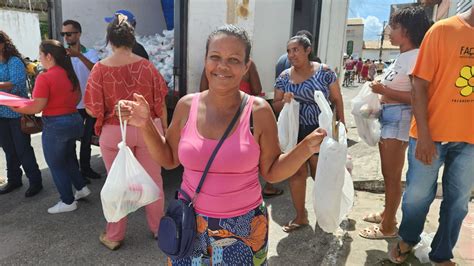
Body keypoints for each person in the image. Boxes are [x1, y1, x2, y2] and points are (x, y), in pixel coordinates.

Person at [117, 24, 326, 264]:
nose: (222, 66)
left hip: (244, 227)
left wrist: (306, 147)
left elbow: (272, 170)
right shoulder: (187, 106)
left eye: (234, 60)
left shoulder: (258, 111)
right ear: (205, 60)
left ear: (247, 66)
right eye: (215, 57)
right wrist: (145, 125)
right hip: (189, 223)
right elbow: (169, 158)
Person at [389, 5, 474, 265]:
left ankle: (441, 253)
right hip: (431, 134)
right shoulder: (443, 30)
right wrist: (424, 136)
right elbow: (419, 84)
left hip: (469, 140)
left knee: (458, 202)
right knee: (417, 195)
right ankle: (407, 239)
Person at [84, 14, 168, 251]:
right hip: (146, 129)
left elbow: (91, 109)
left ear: (109, 41)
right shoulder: (147, 66)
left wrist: (112, 107)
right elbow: (159, 103)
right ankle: (159, 230)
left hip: (114, 133)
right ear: (133, 40)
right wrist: (166, 130)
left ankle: (114, 235)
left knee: (117, 184)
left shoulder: (99, 69)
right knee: (154, 181)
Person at [358, 6, 431, 240]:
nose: (390, 30)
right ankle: (387, 213)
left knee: (391, 175)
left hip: (399, 118)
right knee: (387, 173)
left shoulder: (416, 57)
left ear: (407, 31)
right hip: (389, 115)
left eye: (395, 27)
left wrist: (383, 90)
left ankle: (388, 226)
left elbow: (418, 97)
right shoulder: (403, 56)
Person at [273, 35, 345, 233]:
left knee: (320, 173)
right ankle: (301, 216)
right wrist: (284, 100)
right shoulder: (284, 77)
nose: (291, 55)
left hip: (320, 130)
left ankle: (329, 213)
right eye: (288, 51)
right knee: (296, 172)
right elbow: (276, 105)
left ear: (307, 50)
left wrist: (341, 126)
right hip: (296, 130)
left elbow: (337, 100)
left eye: (295, 50)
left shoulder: (325, 73)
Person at [11, 40, 91, 213]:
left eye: (40, 54)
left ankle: (68, 201)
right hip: (74, 120)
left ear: (49, 56)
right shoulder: (69, 73)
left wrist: (12, 105)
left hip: (56, 125)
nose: (39, 58)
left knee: (56, 164)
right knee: (69, 157)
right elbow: (77, 99)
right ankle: (81, 188)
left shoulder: (45, 77)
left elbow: (36, 107)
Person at [0, 31, 43, 197]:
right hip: (1, 114)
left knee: (22, 149)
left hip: (18, 113)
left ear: (3, 44)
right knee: (8, 149)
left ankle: (35, 181)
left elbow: (16, 84)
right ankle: (14, 179)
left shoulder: (14, 61)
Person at [62, 19, 101, 183]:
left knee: (86, 141)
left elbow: (96, 70)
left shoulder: (90, 52)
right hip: (71, 105)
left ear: (78, 34)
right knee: (70, 141)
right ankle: (74, 173)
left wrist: (79, 55)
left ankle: (85, 168)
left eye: (69, 34)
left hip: (89, 104)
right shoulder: (62, 55)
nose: (66, 37)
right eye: (63, 34)